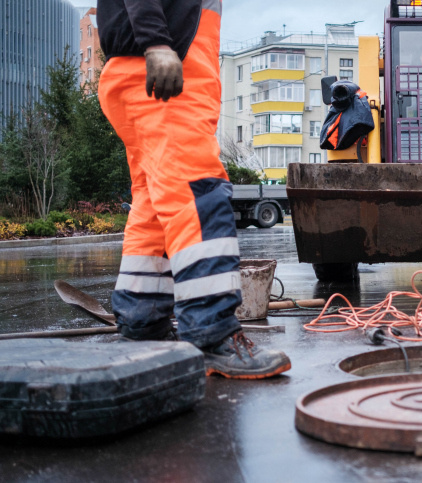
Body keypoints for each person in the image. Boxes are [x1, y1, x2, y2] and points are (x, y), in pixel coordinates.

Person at [97, 0, 291, 379]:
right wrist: (156, 43)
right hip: (161, 74)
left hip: (146, 75)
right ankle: (211, 335)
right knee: (198, 196)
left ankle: (143, 324)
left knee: (155, 206)